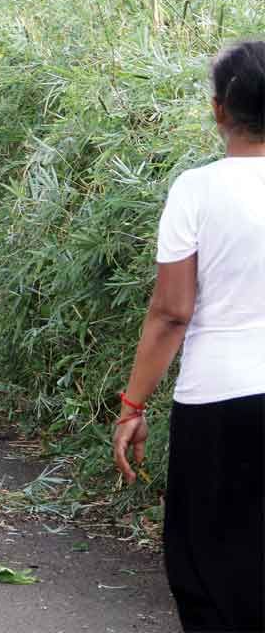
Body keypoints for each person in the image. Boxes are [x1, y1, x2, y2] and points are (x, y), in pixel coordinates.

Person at [113, 41, 265, 633]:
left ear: (219, 110)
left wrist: (132, 404)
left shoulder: (197, 190)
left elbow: (172, 311)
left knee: (209, 562)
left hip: (218, 398)